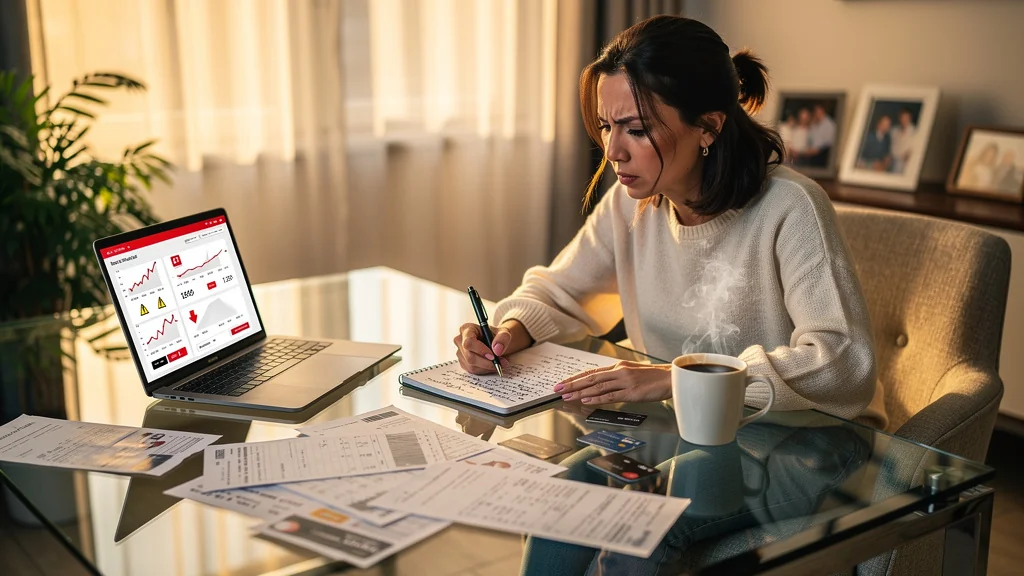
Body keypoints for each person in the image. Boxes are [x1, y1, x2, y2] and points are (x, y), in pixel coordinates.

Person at [452, 15, 883, 429]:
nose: (613, 151)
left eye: (636, 130)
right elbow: (563, 292)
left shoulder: (791, 208)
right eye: (606, 126)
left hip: (804, 443)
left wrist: (677, 378)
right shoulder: (629, 204)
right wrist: (507, 332)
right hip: (681, 433)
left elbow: (842, 361)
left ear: (708, 128)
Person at [803, 103, 836, 168]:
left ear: (822, 111)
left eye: (818, 111)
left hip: (823, 155)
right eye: (815, 112)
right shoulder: (814, 124)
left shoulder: (830, 124)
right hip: (811, 154)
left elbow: (829, 142)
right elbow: (809, 138)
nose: (816, 113)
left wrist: (818, 150)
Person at [889, 108, 917, 174]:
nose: (904, 120)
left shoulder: (915, 131)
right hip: (892, 159)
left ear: (910, 118)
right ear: (899, 118)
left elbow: (915, 148)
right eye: (902, 118)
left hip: (904, 162)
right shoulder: (894, 130)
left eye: (906, 118)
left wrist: (909, 154)